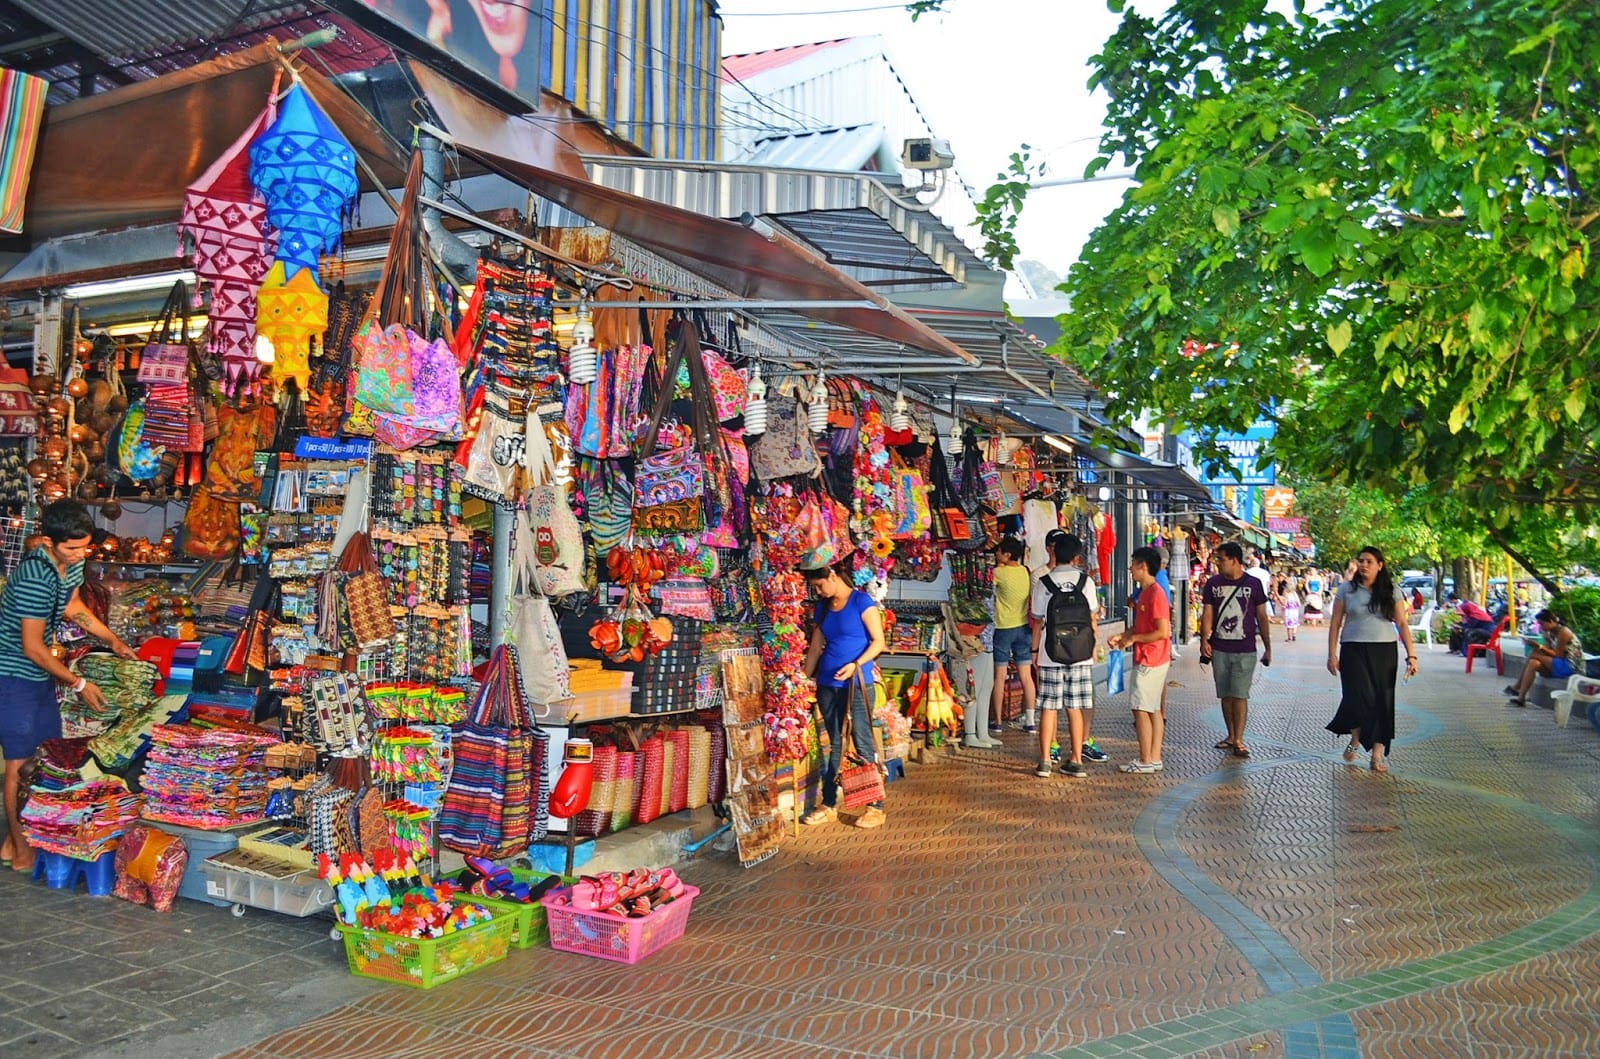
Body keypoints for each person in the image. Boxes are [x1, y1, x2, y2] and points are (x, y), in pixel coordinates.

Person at [1, 500, 139, 872]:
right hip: (13, 674)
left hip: (39, 675)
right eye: (72, 548)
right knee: (19, 763)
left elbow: (74, 606)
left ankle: (15, 843)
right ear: (49, 542)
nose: (80, 554)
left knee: (41, 758)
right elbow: (32, 647)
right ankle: (20, 849)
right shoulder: (34, 575)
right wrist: (79, 684)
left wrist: (112, 640)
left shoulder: (69, 564)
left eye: (85, 547)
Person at [800, 561, 886, 829]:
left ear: (833, 576)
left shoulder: (862, 602)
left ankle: (875, 807)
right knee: (834, 743)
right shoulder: (822, 608)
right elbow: (815, 648)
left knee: (861, 742)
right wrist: (803, 680)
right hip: (827, 685)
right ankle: (828, 803)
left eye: (820, 585)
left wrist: (856, 666)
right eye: (814, 587)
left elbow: (878, 642)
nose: (819, 592)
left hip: (857, 686)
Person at [1325, 546, 1418, 773]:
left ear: (1380, 565)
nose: (1364, 565)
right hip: (1353, 650)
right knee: (1356, 698)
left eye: (1369, 561)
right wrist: (1331, 654)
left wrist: (1412, 655)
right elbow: (1335, 623)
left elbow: (1402, 623)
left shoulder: (1391, 590)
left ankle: (1377, 756)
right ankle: (1354, 741)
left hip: (1384, 652)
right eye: (1361, 561)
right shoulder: (1347, 589)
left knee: (1382, 702)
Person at [1030, 533, 1099, 778]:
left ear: (1054, 553)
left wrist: (1035, 652)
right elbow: (1092, 618)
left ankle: (1046, 760)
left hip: (1051, 653)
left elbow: (1037, 621)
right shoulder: (1086, 582)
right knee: (1075, 707)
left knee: (1049, 708)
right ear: (1077, 557)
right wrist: (1093, 647)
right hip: (1080, 653)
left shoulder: (1044, 582)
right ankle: (1077, 759)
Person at [1199, 541, 1271, 757]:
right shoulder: (1213, 584)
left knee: (1239, 694)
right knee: (1226, 695)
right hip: (1219, 648)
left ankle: (1239, 739)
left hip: (1245, 648)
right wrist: (1204, 640)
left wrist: (1268, 648)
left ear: (1234, 560)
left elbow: (1262, 616)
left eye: (1221, 559)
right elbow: (1208, 614)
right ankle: (1231, 735)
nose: (1218, 563)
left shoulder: (1254, 584)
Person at [1110, 547, 1171, 773]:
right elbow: (1142, 625)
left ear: (1143, 566)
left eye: (1133, 564)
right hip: (1150, 656)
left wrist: (1133, 638)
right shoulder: (1145, 593)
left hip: (1151, 658)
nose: (1130, 569)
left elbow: (1162, 631)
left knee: (1140, 708)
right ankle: (1153, 757)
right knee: (1152, 708)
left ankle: (1146, 758)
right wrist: (1125, 636)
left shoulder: (1156, 594)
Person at [989, 537, 1033, 740]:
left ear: (1007, 554)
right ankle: (1030, 720)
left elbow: (989, 587)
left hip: (1003, 628)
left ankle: (997, 722)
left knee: (999, 677)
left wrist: (997, 566)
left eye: (998, 552)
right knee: (1026, 676)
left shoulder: (999, 572)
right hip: (1023, 628)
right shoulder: (1025, 571)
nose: (996, 555)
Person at [1503, 609, 1584, 707]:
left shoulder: (1564, 632)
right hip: (1558, 663)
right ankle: (1521, 698)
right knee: (1534, 662)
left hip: (1570, 665)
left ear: (1551, 621)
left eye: (1542, 624)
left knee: (1534, 654)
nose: (1541, 627)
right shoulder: (1548, 633)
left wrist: (1539, 647)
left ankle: (1517, 686)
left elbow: (1558, 655)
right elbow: (1548, 650)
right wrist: (1539, 645)